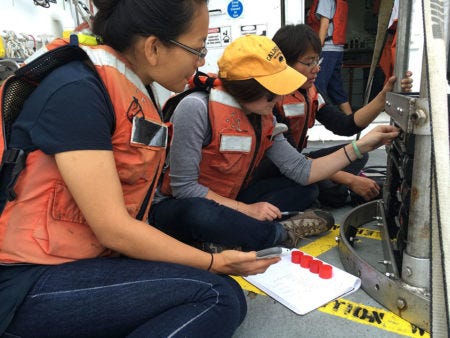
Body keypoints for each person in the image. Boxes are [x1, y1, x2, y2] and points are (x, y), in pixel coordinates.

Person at [0, 1, 281, 337]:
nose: (201, 61)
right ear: (153, 48)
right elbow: (113, 228)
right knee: (217, 295)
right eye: (197, 48)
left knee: (221, 290)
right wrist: (214, 262)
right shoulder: (78, 89)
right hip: (26, 283)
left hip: (87, 261)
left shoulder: (135, 89)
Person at [149, 34, 399, 254]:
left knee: (306, 190)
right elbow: (185, 189)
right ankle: (277, 235)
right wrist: (247, 210)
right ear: (248, 88)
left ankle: (227, 239)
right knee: (199, 214)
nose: (279, 98)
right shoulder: (196, 108)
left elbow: (303, 171)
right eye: (274, 90)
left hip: (230, 197)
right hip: (183, 205)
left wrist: (362, 146)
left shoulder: (264, 114)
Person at [251, 24, 412, 208]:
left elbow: (344, 125)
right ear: (284, 63)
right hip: (276, 168)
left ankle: (347, 190)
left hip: (300, 161)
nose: (316, 69)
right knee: (324, 191)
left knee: (359, 156)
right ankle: (348, 191)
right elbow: (292, 161)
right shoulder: (270, 101)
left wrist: (383, 98)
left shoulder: (310, 92)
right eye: (308, 62)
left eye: (316, 61)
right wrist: (350, 180)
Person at [306, 0, 352, 115]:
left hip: (326, 49)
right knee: (336, 87)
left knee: (317, 86)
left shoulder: (326, 0)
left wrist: (317, 49)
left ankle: (325, 117)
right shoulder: (339, 2)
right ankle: (350, 118)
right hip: (337, 49)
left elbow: (324, 24)